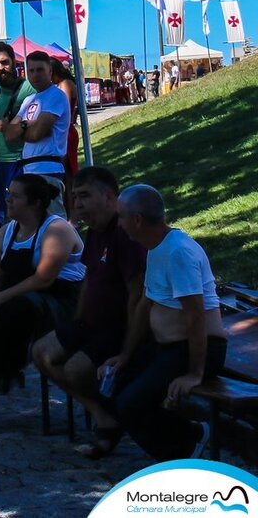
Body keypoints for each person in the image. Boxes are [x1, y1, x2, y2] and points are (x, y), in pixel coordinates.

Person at [0, 174, 85, 433]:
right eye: (8, 193)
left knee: (12, 309)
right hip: (18, 302)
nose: (7, 199)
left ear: (34, 203)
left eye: (15, 195)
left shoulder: (56, 230)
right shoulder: (6, 232)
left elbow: (44, 280)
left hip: (62, 303)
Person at [100, 185, 227, 461]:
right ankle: (180, 439)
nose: (118, 223)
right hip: (168, 347)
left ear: (137, 220)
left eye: (121, 217)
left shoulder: (178, 252)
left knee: (131, 404)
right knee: (114, 384)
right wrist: (125, 355)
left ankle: (187, 444)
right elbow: (147, 303)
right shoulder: (155, 248)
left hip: (199, 349)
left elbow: (195, 316)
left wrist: (194, 373)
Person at [31, 167, 147, 458]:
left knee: (75, 369)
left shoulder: (126, 233)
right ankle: (105, 415)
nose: (77, 205)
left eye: (84, 196)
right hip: (90, 323)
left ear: (110, 197)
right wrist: (78, 321)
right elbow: (89, 279)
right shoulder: (95, 232)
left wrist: (129, 349)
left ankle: (112, 421)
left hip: (117, 328)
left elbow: (138, 294)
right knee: (41, 351)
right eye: (74, 197)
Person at [3, 51, 70, 217]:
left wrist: (21, 128)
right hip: (28, 170)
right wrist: (28, 124)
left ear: (50, 71)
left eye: (40, 70)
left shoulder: (56, 96)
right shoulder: (29, 100)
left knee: (53, 223)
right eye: (31, 70)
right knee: (30, 224)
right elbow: (9, 135)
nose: (35, 75)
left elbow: (37, 134)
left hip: (48, 168)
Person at [0, 41, 36, 223]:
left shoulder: (27, 89)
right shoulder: (0, 91)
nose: (1, 68)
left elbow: (34, 127)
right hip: (1, 161)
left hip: (19, 161)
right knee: (5, 213)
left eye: (5, 62)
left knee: (20, 214)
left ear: (13, 61)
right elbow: (3, 129)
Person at [50, 58, 79, 213]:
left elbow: (64, 107)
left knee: (68, 176)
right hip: (65, 131)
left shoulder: (65, 84)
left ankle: (72, 215)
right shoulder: (62, 84)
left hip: (66, 132)